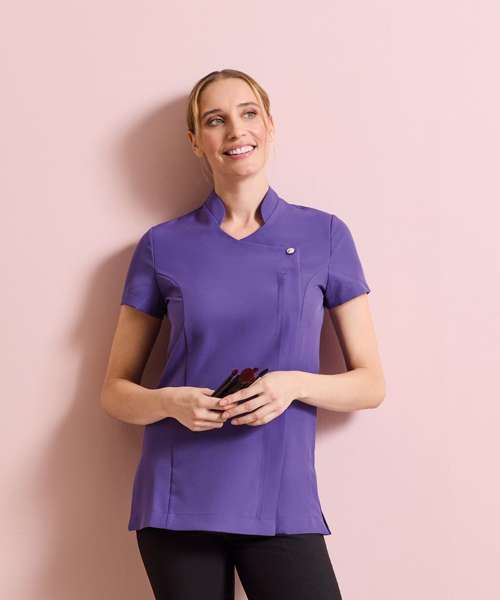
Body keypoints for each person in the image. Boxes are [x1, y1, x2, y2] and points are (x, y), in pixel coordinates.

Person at [100, 69, 385, 600]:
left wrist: (292, 385)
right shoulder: (162, 245)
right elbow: (115, 391)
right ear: (196, 141)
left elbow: (370, 385)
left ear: (269, 125)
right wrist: (170, 403)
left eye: (248, 113)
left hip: (280, 495)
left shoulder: (325, 234)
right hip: (178, 496)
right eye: (216, 120)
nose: (235, 130)